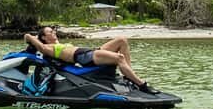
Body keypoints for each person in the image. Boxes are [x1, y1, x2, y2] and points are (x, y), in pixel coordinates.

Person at [22, 25, 158, 94]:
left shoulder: (58, 44)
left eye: (53, 31)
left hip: (90, 51)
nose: (54, 32)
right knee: (119, 58)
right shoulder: (48, 47)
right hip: (84, 57)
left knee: (122, 40)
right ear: (44, 38)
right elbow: (41, 47)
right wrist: (30, 37)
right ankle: (142, 85)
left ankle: (130, 77)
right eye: (50, 32)